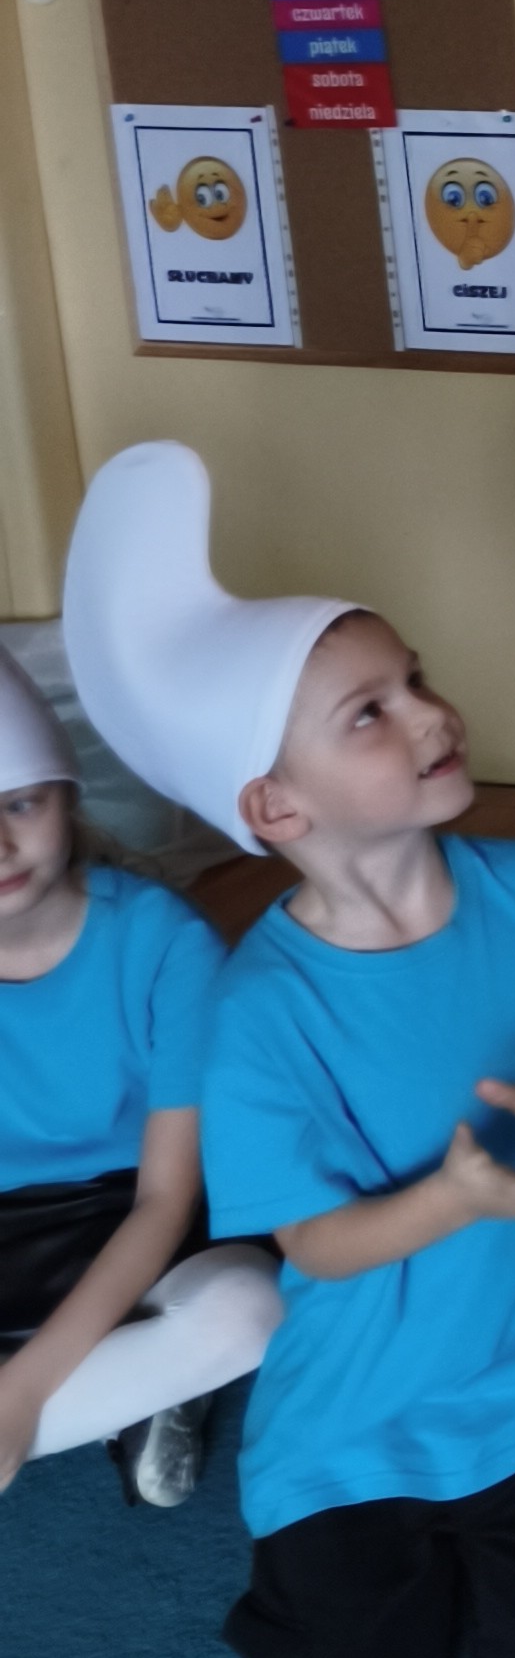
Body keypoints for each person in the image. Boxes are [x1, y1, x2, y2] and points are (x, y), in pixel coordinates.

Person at [63, 443, 515, 1658]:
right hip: (355, 1419)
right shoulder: (259, 1010)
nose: (429, 712)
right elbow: (320, 1244)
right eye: (371, 710)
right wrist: (456, 1194)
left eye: (417, 678)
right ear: (276, 806)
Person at [0, 646, 279, 1510]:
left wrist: (21, 1396)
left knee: (247, 1308)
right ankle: (129, 1383)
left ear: (66, 794)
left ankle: (72, 1386)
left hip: (149, 1216)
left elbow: (166, 1198)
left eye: (19, 804)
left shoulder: (163, 939)